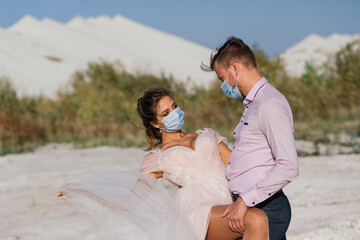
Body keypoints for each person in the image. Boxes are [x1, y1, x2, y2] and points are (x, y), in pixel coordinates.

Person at [56, 86, 269, 240]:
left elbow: (239, 165)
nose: (175, 113)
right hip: (196, 213)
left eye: (174, 107)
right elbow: (133, 199)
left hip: (226, 201)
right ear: (155, 123)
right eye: (166, 113)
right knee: (256, 219)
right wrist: (84, 192)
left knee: (258, 219)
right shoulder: (156, 159)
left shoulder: (206, 134)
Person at [201, 36, 299, 240]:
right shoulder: (253, 104)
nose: (223, 85)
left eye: (221, 78)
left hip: (264, 209)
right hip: (247, 206)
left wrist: (245, 200)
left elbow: (289, 166)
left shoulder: (269, 104)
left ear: (234, 69)